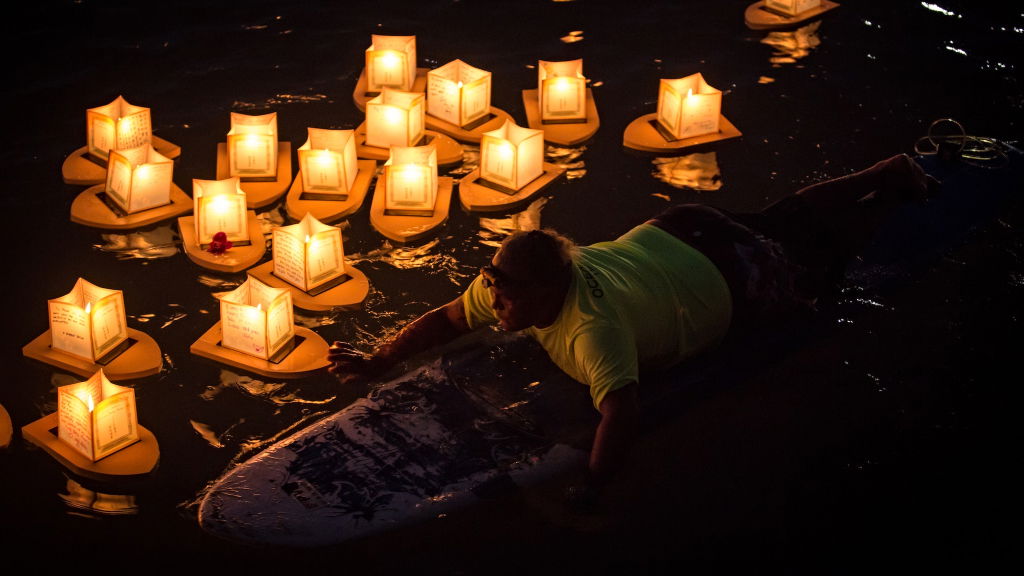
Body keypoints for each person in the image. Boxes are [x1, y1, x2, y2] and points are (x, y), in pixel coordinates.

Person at [328, 153, 940, 511]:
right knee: (781, 217)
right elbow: (444, 320)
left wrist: (594, 487)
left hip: (731, 274)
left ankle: (890, 198)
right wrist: (380, 362)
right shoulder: (502, 286)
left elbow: (621, 413)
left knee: (820, 268)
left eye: (510, 295)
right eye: (495, 285)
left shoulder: (595, 332)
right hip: (681, 228)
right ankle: (884, 170)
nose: (497, 303)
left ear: (549, 291)